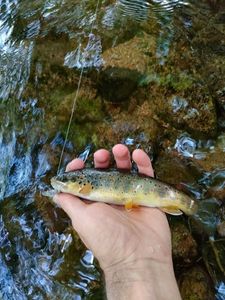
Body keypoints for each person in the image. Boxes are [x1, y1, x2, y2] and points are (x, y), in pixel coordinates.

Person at [53, 144, 182, 300]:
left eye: (65, 180)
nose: (60, 182)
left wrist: (124, 266)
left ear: (81, 183)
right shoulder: (84, 184)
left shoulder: (86, 185)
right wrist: (123, 263)